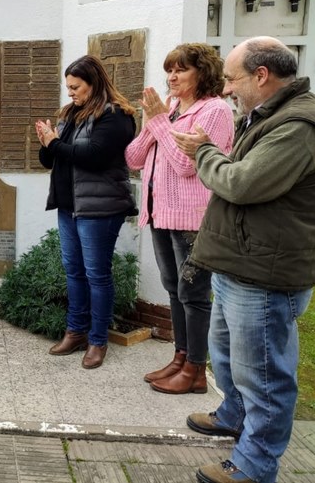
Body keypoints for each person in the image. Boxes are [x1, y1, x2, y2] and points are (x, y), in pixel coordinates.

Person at [172, 37, 315, 483]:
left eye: (232, 80)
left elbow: (242, 184)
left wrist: (204, 152)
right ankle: (233, 414)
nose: (228, 89)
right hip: (239, 263)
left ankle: (253, 466)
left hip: (265, 272)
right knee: (229, 359)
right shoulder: (268, 116)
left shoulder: (298, 125)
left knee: (266, 378)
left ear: (261, 76)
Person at [125, 44, 234, 395]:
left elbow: (188, 165)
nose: (171, 77)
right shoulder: (170, 109)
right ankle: (180, 357)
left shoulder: (214, 110)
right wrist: (152, 123)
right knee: (174, 288)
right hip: (160, 213)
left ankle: (196, 371)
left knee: (194, 293)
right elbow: (133, 158)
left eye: (181, 70)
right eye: (169, 70)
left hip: (192, 218)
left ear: (201, 73)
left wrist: (158, 123)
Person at [35, 55, 138, 369]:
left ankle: (97, 340)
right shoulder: (71, 114)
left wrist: (54, 144)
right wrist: (46, 143)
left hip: (100, 208)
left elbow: (93, 157)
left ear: (94, 82)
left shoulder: (116, 116)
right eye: (68, 88)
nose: (71, 93)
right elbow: (53, 159)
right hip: (69, 206)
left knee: (97, 275)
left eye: (76, 87)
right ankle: (75, 331)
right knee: (74, 272)